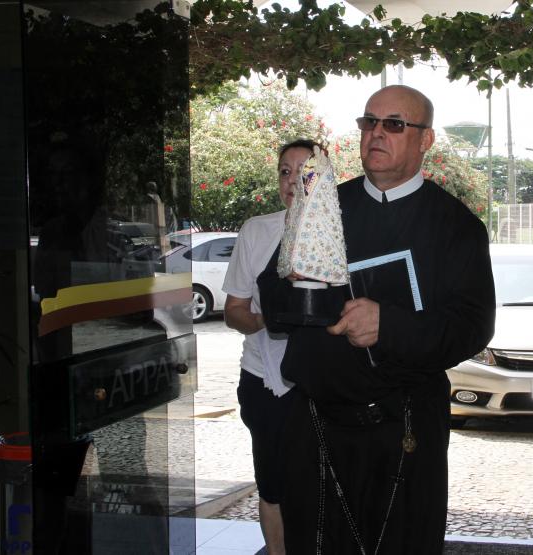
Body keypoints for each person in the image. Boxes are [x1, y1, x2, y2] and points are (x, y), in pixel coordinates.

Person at [258, 85, 496, 554]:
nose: (376, 133)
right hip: (317, 422)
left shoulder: (456, 225)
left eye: (394, 124)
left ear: (425, 140)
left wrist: (390, 327)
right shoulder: (321, 206)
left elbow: (473, 326)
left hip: (406, 428)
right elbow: (271, 301)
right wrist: (296, 284)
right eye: (369, 122)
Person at [222, 139, 317, 555]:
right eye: (284, 171)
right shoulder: (257, 231)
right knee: (274, 484)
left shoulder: (350, 231)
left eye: (305, 170)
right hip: (265, 380)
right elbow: (234, 311)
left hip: (326, 382)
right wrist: (270, 318)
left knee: (324, 480)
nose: (293, 181)